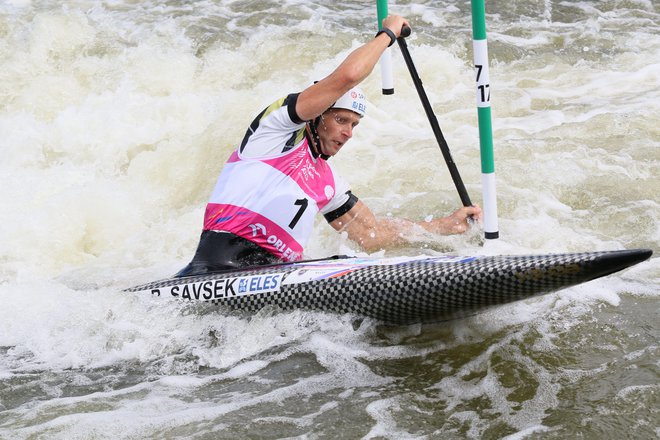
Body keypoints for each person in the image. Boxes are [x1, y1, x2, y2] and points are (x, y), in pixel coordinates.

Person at [176, 14, 482, 277]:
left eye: (354, 125)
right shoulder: (274, 132)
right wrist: (387, 35)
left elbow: (370, 234)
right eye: (341, 120)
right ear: (317, 115)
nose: (348, 133)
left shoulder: (328, 181)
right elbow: (346, 77)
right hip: (219, 268)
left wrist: (444, 225)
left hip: (277, 275)